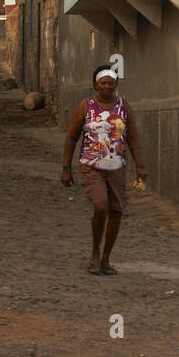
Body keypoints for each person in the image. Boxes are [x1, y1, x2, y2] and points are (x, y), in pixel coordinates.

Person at [61, 66, 146, 274]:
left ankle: (106, 258)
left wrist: (140, 166)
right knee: (100, 205)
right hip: (91, 166)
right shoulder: (86, 106)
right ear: (95, 85)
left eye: (111, 83)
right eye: (103, 83)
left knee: (116, 211)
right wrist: (66, 167)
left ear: (115, 85)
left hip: (116, 167)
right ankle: (95, 252)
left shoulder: (123, 106)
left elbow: (132, 136)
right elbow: (72, 137)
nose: (107, 87)